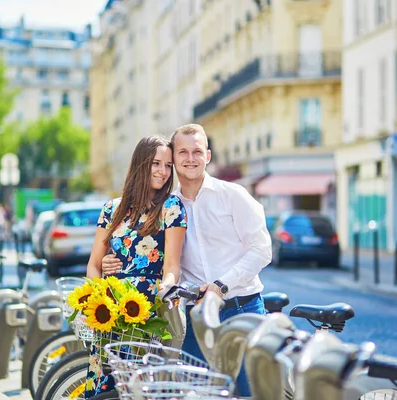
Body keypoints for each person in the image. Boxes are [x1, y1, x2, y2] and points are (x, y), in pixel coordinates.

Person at [102, 124, 272, 397]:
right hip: (196, 317)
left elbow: (262, 249)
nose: (190, 158)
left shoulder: (233, 196)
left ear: (208, 156)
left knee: (248, 393)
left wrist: (221, 285)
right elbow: (146, 253)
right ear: (173, 158)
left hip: (241, 308)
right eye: (182, 152)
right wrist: (111, 262)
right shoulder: (167, 207)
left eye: (196, 151)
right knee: (194, 393)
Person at [84, 135, 187, 398]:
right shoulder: (111, 209)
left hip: (147, 315)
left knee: (139, 389)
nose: (163, 172)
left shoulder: (171, 208)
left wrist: (167, 286)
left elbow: (173, 264)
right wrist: (102, 301)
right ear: (141, 164)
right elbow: (94, 265)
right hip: (111, 314)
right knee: (106, 385)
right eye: (156, 163)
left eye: (167, 166)